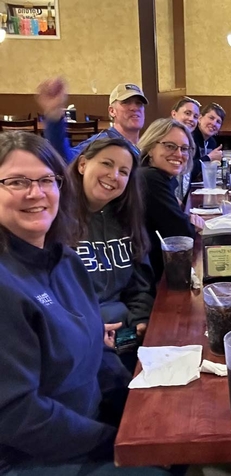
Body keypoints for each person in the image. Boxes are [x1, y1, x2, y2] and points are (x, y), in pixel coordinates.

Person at [0, 131, 170, 475]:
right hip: (35, 455)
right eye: (16, 182)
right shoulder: (7, 285)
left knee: (175, 435)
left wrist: (135, 409)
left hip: (89, 424)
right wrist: (113, 440)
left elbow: (99, 350)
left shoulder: (66, 259)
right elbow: (17, 414)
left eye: (46, 179)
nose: (36, 192)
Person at [68, 138, 155, 353]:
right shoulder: (53, 219)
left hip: (123, 334)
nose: (114, 175)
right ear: (82, 165)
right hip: (78, 339)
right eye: (107, 164)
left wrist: (141, 322)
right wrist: (89, 330)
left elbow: (140, 286)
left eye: (123, 172)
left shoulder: (127, 219)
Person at [138, 118, 202, 282]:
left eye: (184, 148)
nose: (179, 154)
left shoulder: (157, 176)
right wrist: (190, 224)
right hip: (148, 279)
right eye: (170, 146)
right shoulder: (150, 178)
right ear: (151, 148)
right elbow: (182, 235)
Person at [36, 77, 148, 163]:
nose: (134, 108)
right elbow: (65, 158)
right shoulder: (102, 142)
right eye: (126, 102)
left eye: (139, 103)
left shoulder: (147, 145)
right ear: (112, 111)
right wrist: (54, 114)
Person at [170, 96, 202, 200]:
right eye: (187, 113)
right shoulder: (164, 139)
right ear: (174, 114)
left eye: (195, 116)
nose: (191, 119)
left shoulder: (190, 144)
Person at [190, 102, 225, 186]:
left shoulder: (212, 142)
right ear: (200, 118)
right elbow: (187, 171)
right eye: (211, 118)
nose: (213, 123)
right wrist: (209, 157)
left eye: (218, 122)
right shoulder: (190, 138)